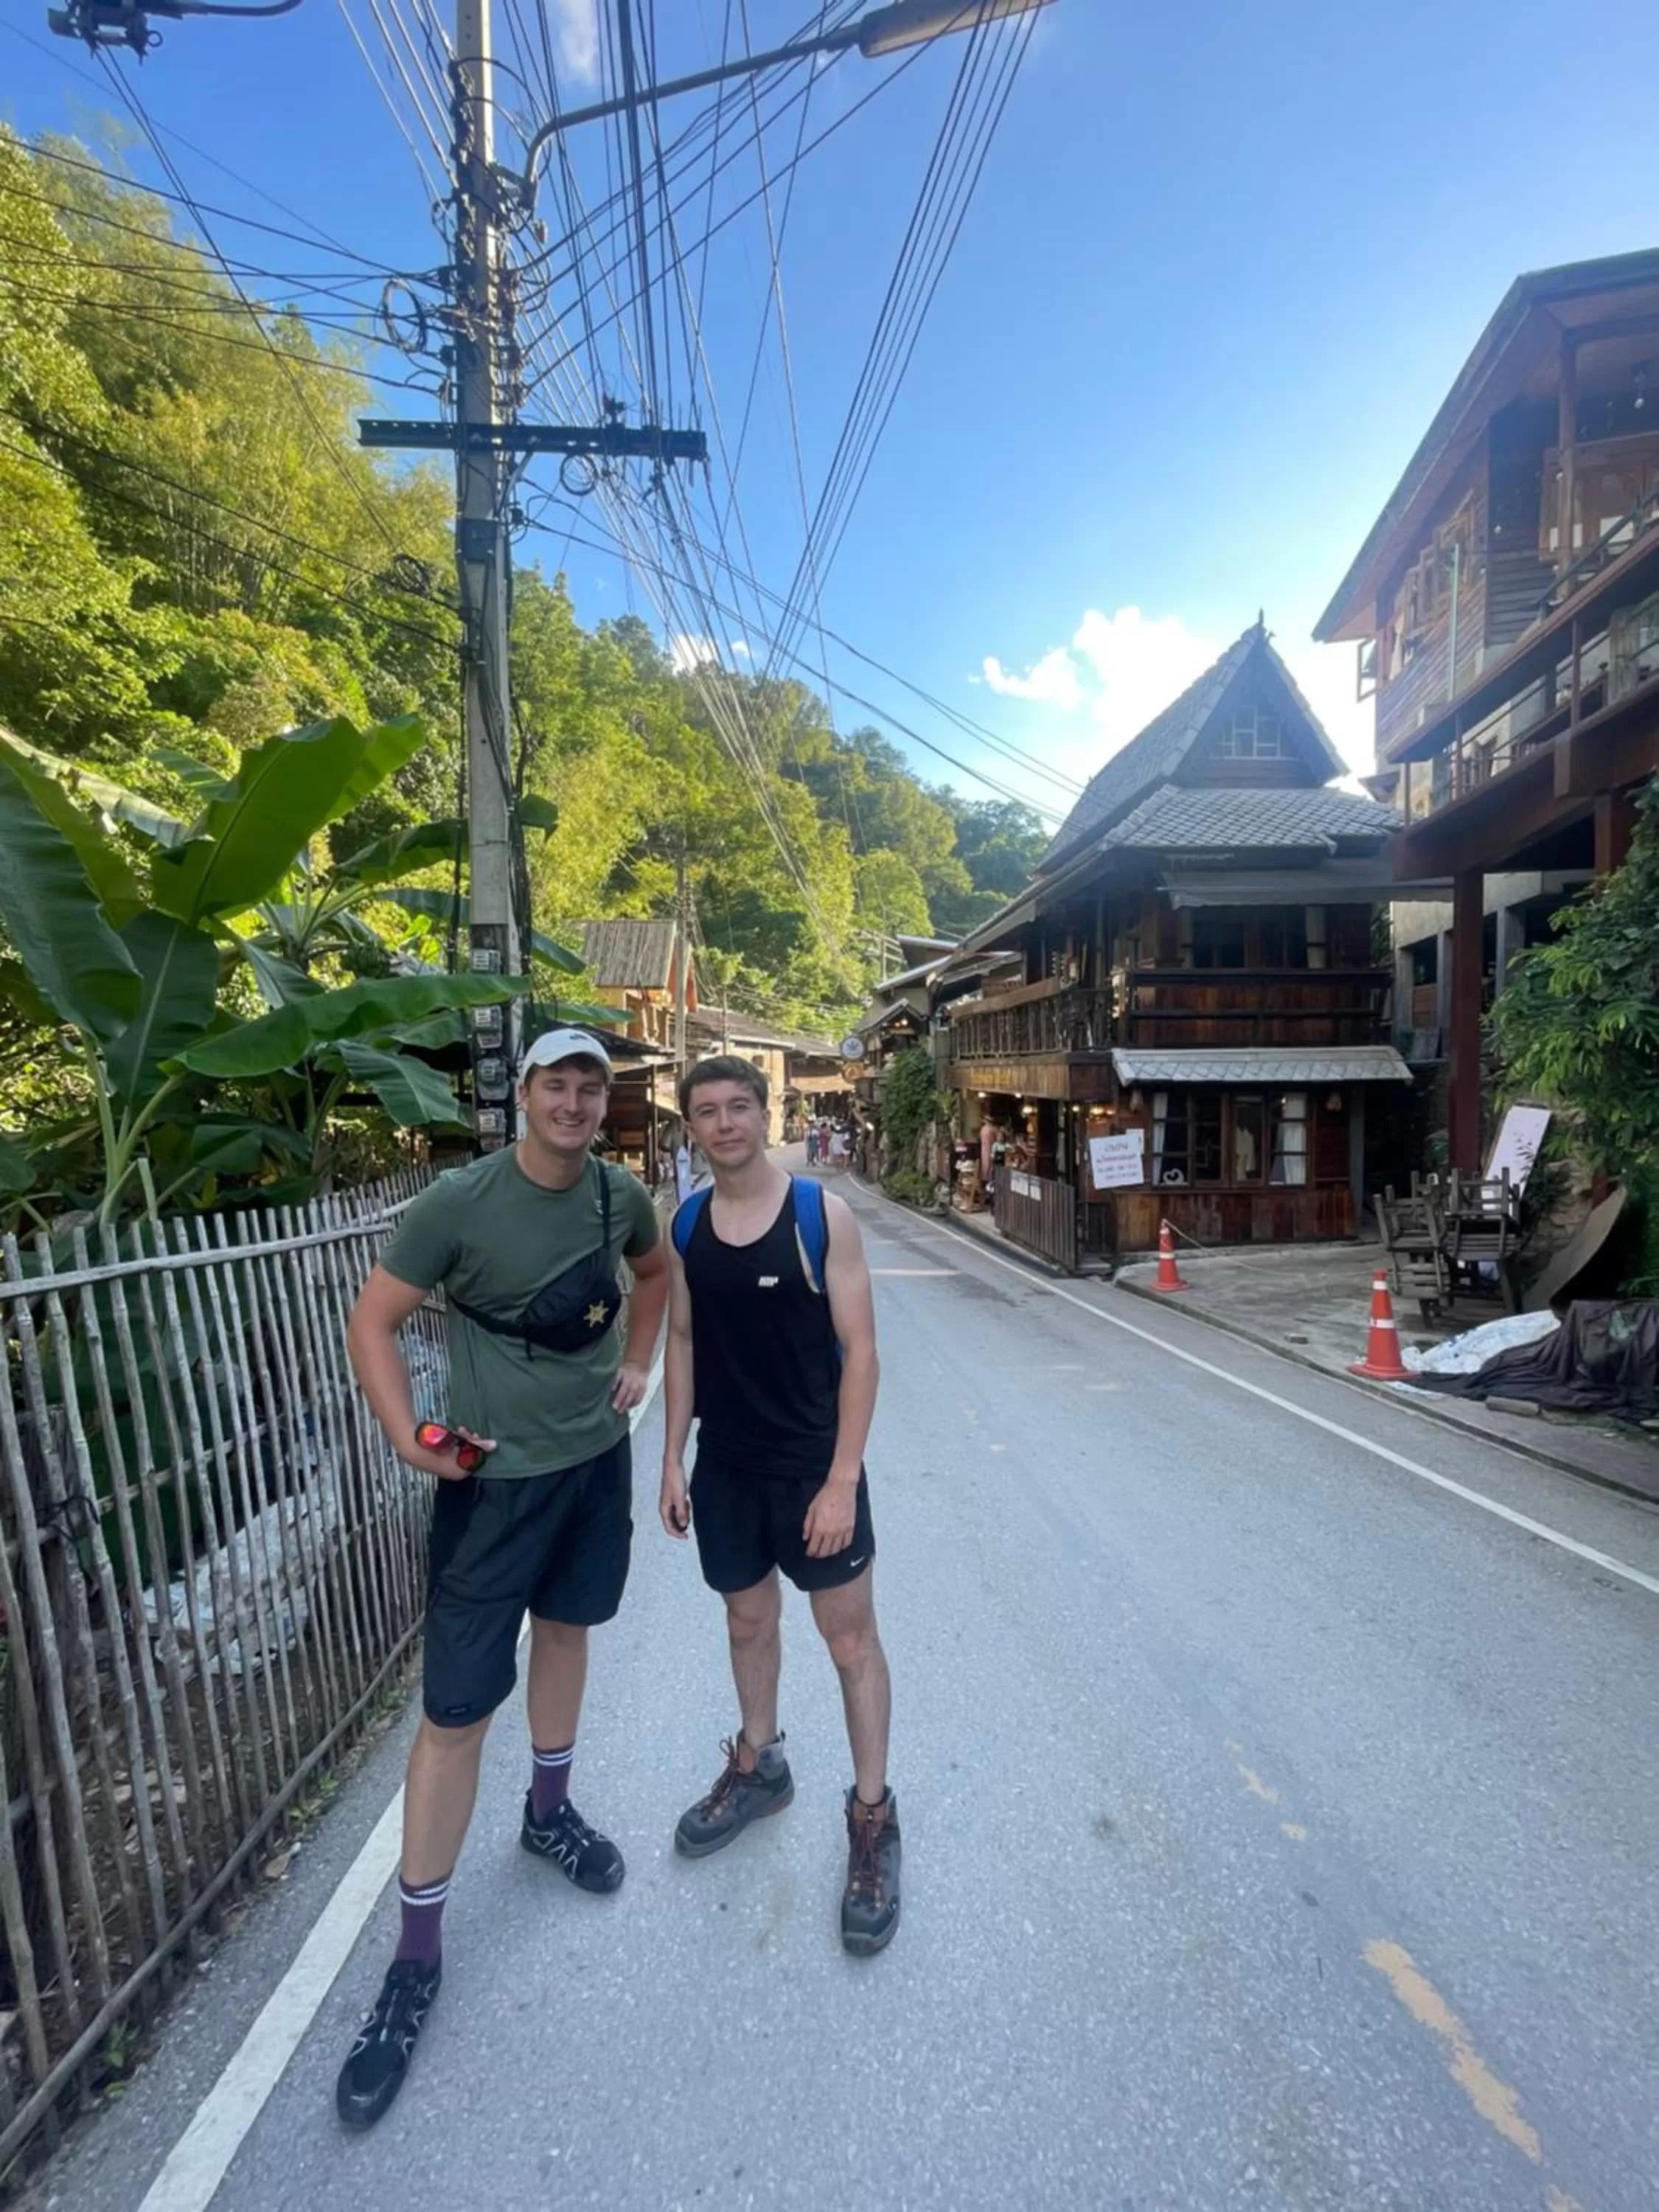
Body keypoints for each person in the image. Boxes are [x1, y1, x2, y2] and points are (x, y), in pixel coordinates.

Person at [337, 1029, 668, 2129]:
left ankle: (548, 1813)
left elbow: (654, 1273)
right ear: (522, 1094)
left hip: (593, 1467)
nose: (573, 1103)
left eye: (589, 1088)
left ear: (604, 1102)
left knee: (569, 1634)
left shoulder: (616, 1195)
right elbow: (374, 1320)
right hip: (491, 1488)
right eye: (555, 1085)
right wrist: (406, 1436)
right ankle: (413, 1960)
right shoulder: (459, 1204)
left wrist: (638, 1360)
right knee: (455, 1714)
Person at [659, 1056, 900, 1955]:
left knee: (850, 1642)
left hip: (811, 1468)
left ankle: (872, 1817)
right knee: (747, 1623)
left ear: (766, 1114)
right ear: (690, 1127)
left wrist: (842, 1479)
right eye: (707, 1111)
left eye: (738, 1106)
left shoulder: (818, 1216)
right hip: (727, 1469)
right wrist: (672, 1458)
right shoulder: (686, 1224)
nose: (724, 1123)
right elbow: (683, 1338)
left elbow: (862, 1352)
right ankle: (760, 1765)